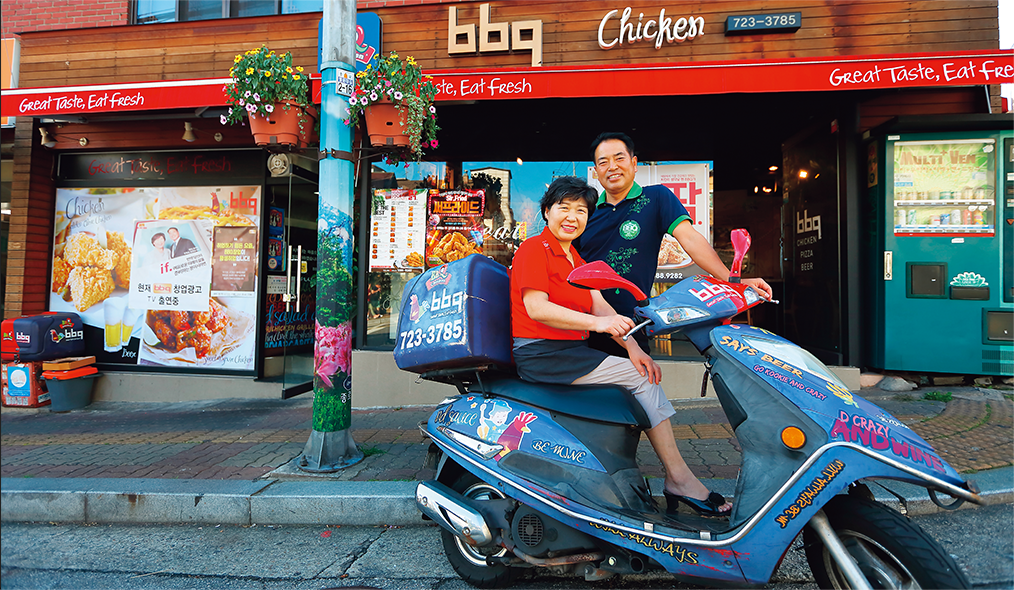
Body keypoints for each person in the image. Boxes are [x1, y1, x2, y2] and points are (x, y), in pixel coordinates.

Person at [510, 176, 731, 517]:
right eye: (563, 208)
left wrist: (633, 348)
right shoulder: (533, 249)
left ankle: (628, 475)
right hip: (541, 352)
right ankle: (679, 479)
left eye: (581, 210)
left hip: (569, 352)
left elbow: (601, 307)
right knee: (641, 380)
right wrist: (599, 325)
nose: (572, 216)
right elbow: (536, 307)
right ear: (546, 211)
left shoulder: (577, 260)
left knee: (642, 372)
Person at [576, 132, 773, 357]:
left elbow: (690, 239)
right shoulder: (585, 212)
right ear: (596, 171)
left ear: (634, 163)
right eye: (603, 162)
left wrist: (732, 281)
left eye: (619, 158)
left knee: (641, 386)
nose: (612, 166)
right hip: (582, 323)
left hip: (632, 324)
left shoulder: (656, 198)